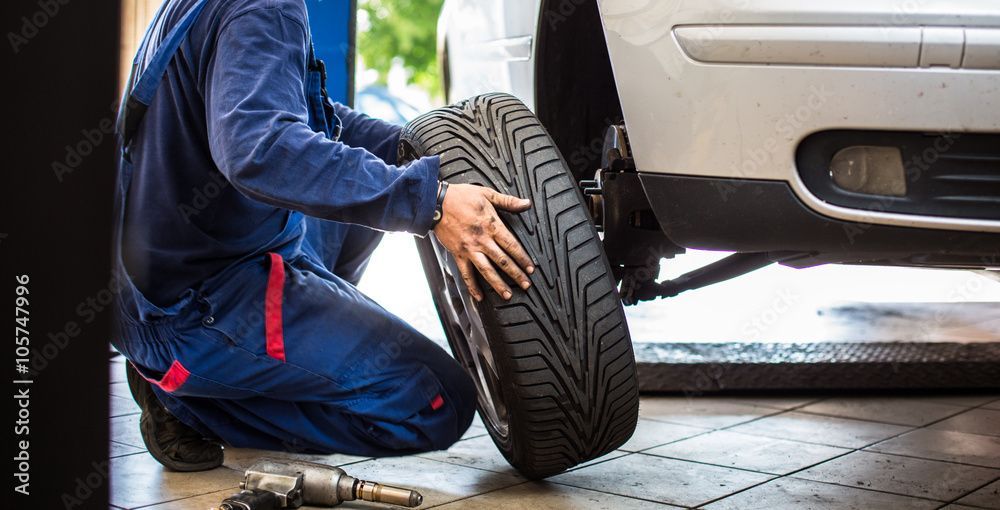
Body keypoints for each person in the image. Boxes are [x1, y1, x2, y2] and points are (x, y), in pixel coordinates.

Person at [113, 0, 534, 471]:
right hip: (195, 306)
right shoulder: (266, 7)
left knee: (355, 203)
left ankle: (283, 360)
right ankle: (187, 400)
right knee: (438, 402)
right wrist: (430, 205)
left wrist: (409, 150)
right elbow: (260, 150)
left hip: (153, 281)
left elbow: (298, 112)